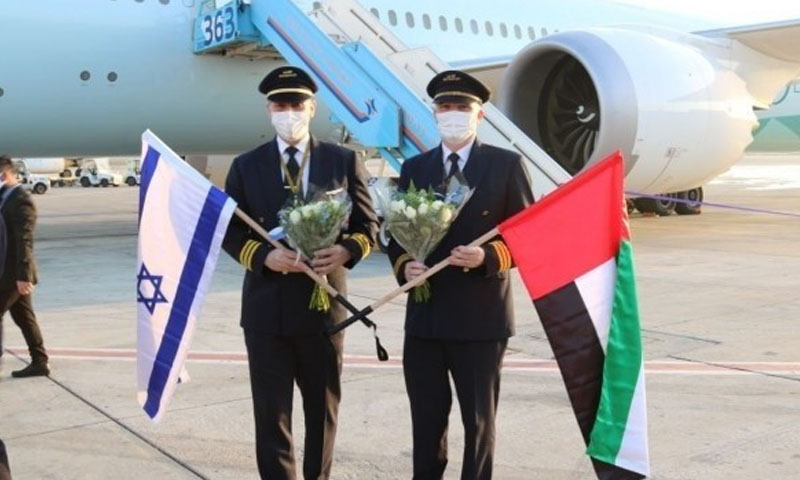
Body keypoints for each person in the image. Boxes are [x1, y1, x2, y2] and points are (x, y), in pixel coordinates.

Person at [222, 66, 378, 480]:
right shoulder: (246, 165)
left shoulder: (343, 160)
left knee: (322, 410)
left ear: (312, 108)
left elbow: (369, 226)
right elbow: (229, 231)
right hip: (266, 310)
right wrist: (262, 257)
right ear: (268, 111)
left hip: (324, 310)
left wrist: (345, 250)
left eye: (296, 104)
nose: (288, 112)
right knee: (271, 414)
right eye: (280, 105)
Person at [387, 70, 534, 480]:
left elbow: (526, 238)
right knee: (426, 423)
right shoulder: (415, 167)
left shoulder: (505, 165)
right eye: (445, 107)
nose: (453, 114)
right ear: (434, 114)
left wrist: (487, 256)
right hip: (426, 319)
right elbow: (395, 236)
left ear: (479, 115)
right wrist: (405, 265)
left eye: (462, 107)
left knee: (478, 424)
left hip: (480, 319)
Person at [0, 156, 49, 378]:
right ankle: (40, 361)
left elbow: (24, 239)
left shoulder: (21, 201)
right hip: (7, 270)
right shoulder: (4, 197)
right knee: (24, 317)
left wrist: (24, 276)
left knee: (22, 316)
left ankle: (40, 361)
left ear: (4, 174)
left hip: (14, 273)